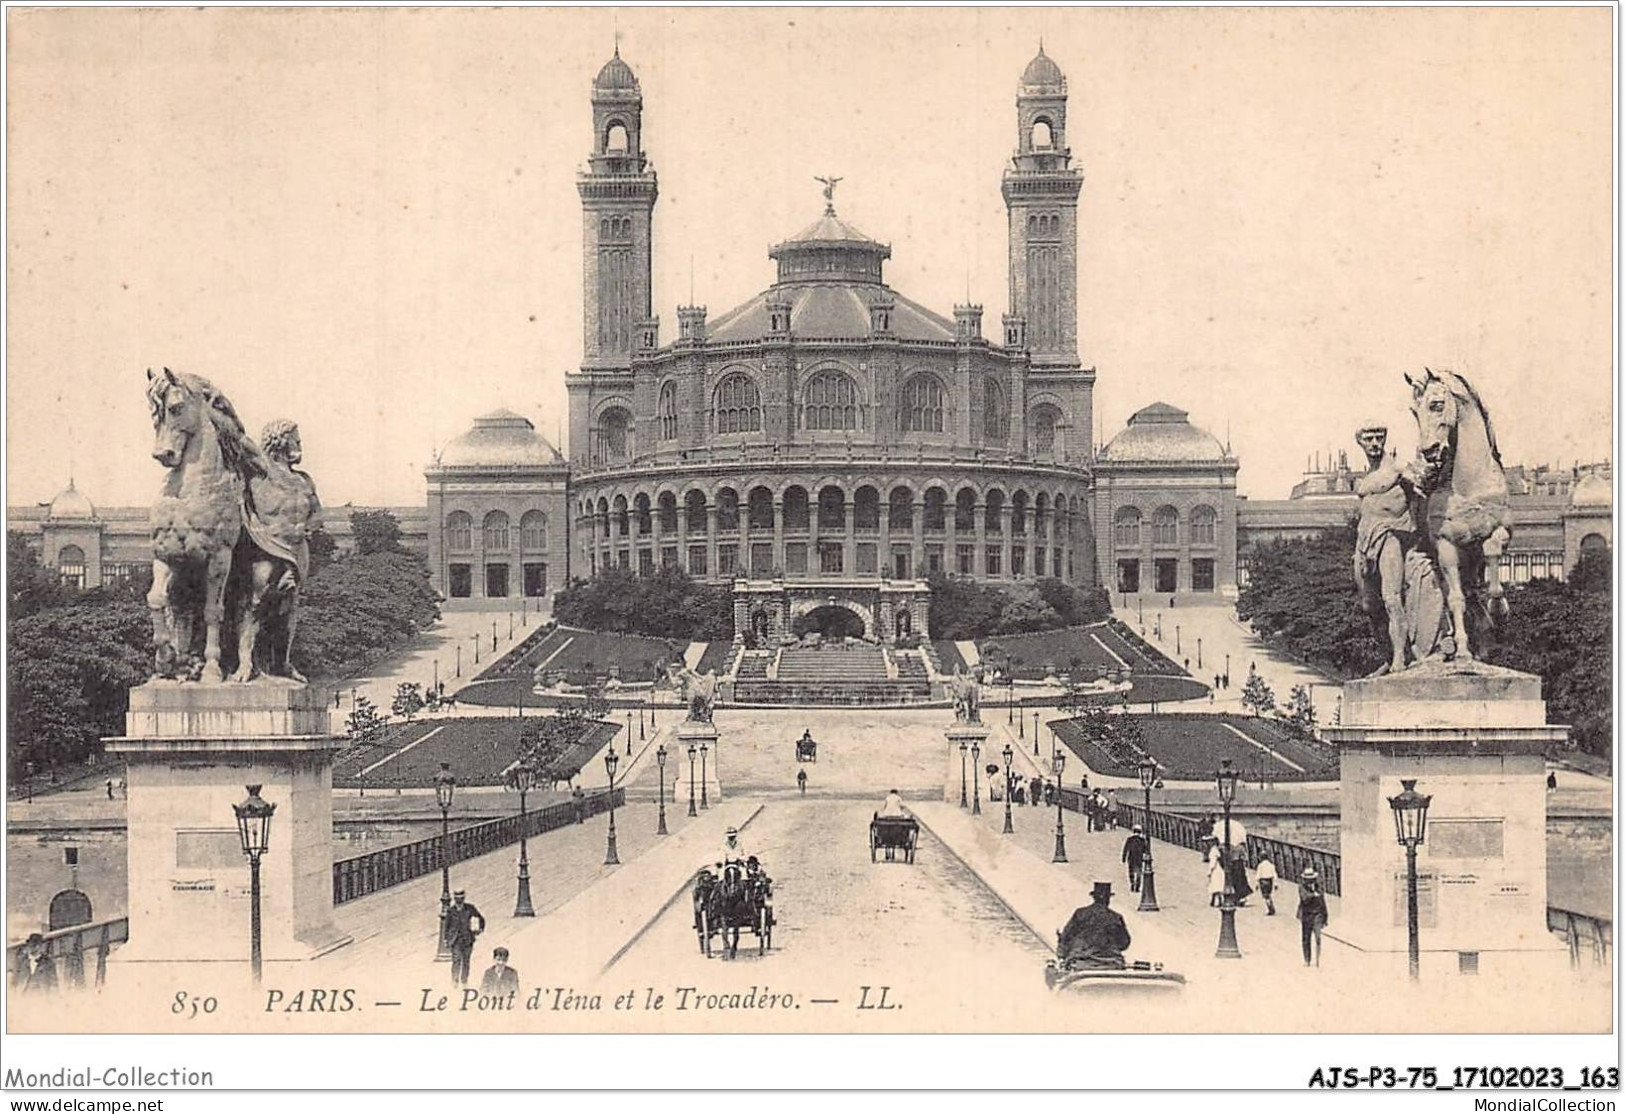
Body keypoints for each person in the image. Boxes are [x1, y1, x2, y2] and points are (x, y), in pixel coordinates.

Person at [1057, 882, 1131, 970]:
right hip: (1111, 962)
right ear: (1108, 899)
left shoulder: (1080, 913)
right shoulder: (1115, 917)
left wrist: (1062, 955)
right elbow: (1124, 943)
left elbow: (1066, 937)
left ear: (1094, 898)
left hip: (1081, 961)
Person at [445, 890, 485, 986]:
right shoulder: (451, 910)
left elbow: (480, 918)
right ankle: (454, 980)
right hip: (455, 940)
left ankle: (464, 981)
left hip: (467, 940)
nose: (459, 899)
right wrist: (446, 939)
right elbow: (447, 925)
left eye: (461, 897)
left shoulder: (470, 908)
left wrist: (480, 929)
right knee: (456, 960)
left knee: (466, 961)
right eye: (457, 897)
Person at [1297, 867, 1329, 966]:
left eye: (1312, 878)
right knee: (1306, 938)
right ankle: (1307, 960)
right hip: (1306, 915)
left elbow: (1323, 901)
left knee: (1318, 937)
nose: (1310, 881)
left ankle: (1318, 959)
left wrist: (1325, 917)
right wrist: (1314, 895)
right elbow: (1304, 898)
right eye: (1308, 879)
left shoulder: (1319, 887)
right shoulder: (1301, 887)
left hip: (1317, 915)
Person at [1121, 826, 1148, 893]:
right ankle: (1137, 887)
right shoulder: (1142, 840)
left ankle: (1132, 883)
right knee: (1139, 872)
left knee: (1131, 871)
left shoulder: (1130, 839)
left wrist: (1123, 858)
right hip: (1139, 858)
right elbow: (1145, 850)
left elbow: (1125, 849)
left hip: (1131, 858)